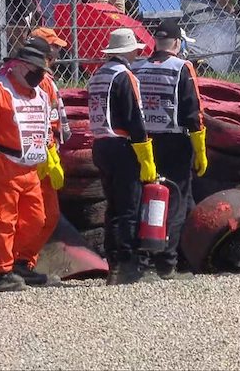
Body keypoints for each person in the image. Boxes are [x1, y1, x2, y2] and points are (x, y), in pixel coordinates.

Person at [0, 43, 63, 291]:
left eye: (43, 69)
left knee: (37, 220)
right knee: (3, 222)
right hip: (3, 165)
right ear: (19, 66)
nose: (40, 74)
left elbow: (46, 130)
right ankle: (2, 272)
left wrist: (51, 159)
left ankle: (21, 264)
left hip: (31, 167)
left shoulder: (41, 94)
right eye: (36, 69)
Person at [132, 19, 208, 279]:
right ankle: (166, 262)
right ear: (177, 43)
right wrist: (200, 149)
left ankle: (147, 259)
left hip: (142, 142)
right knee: (174, 199)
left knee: (147, 198)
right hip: (175, 141)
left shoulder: (136, 67)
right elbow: (193, 110)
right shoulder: (182, 67)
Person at [88, 27, 155, 285]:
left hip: (100, 145)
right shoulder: (125, 77)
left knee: (112, 206)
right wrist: (146, 155)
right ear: (129, 51)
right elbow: (134, 119)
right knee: (130, 207)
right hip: (122, 145)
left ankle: (113, 261)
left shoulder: (97, 76)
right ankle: (128, 264)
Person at [5, 31, 70, 260]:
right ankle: (19, 261)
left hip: (38, 153)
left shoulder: (38, 77)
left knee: (40, 216)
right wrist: (50, 156)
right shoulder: (35, 79)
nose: (58, 51)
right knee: (41, 215)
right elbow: (46, 122)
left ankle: (23, 261)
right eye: (55, 46)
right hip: (30, 158)